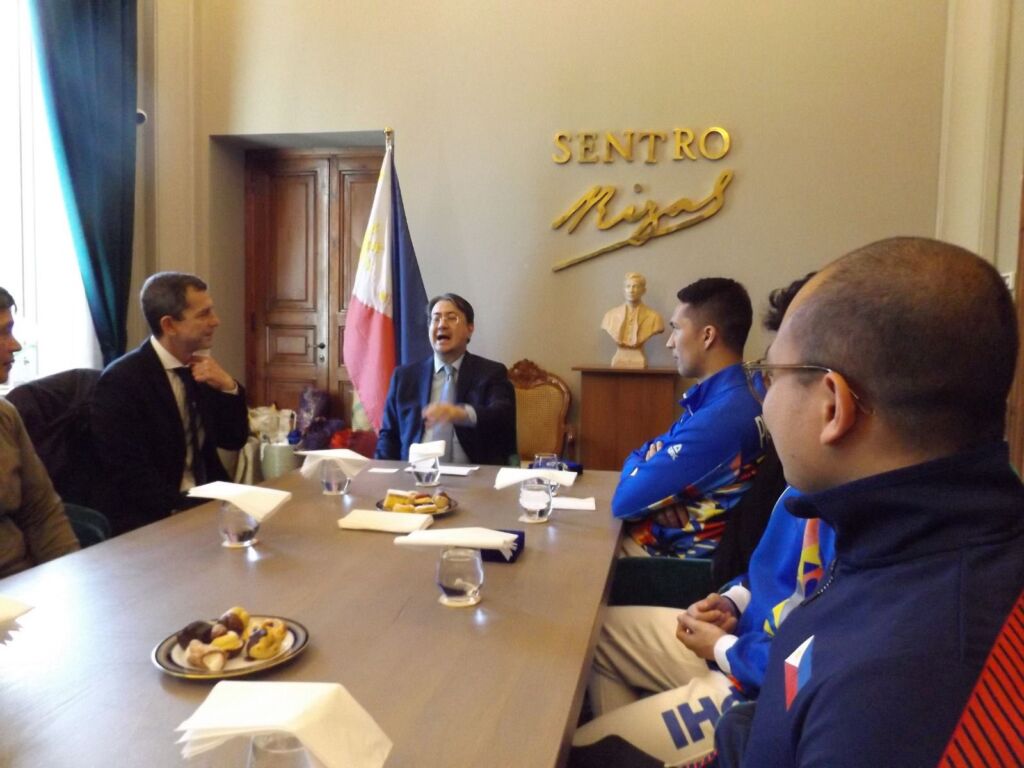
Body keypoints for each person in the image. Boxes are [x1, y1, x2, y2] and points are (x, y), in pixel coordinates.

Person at [736, 237, 1024, 766]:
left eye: (771, 376)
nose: (765, 401)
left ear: (832, 406)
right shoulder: (901, 553)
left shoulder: (898, 689)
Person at [574, 275, 830, 767]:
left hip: (748, 685)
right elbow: (768, 574)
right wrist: (733, 600)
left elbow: (811, 666)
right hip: (740, 634)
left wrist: (726, 646)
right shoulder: (802, 487)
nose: (763, 399)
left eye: (772, 377)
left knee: (585, 752)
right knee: (594, 635)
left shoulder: (847, 512)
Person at [613, 277, 766, 558]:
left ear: (707, 336)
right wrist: (654, 481)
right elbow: (643, 452)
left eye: (676, 329)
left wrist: (651, 478)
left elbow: (624, 501)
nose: (669, 342)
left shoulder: (723, 418)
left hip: (672, 568)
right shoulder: (728, 396)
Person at [90, 272, 249, 535]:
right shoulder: (122, 381)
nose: (216, 321)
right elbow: (128, 473)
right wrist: (186, 508)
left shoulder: (200, 368)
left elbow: (233, 439)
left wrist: (228, 387)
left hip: (209, 500)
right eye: (204, 314)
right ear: (169, 325)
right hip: (154, 514)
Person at [375, 293, 516, 465]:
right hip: (414, 475)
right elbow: (389, 436)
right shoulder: (404, 377)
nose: (442, 324)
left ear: (470, 328)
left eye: (451, 318)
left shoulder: (490, 373)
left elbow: (502, 416)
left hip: (474, 475)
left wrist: (459, 413)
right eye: (436, 319)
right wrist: (381, 471)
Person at [0, 287, 79, 577]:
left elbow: (42, 512)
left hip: (22, 583)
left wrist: (73, 575)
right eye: (3, 333)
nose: (15, 345)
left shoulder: (5, 415)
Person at [602, 272, 665, 368]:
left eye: (635, 287)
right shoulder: (610, 316)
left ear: (643, 291)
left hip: (640, 359)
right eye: (628, 286)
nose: (631, 290)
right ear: (624, 290)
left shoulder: (655, 317)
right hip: (618, 359)